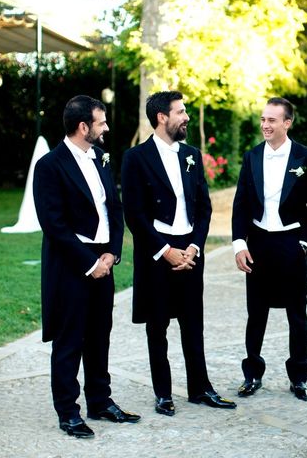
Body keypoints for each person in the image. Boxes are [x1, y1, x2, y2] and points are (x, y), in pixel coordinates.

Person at [121, 91, 236, 417]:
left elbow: (203, 206)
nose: (185, 117)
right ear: (161, 117)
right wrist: (165, 250)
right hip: (156, 253)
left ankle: (200, 389)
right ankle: (163, 394)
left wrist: (194, 246)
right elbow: (135, 214)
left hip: (189, 249)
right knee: (157, 326)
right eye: (180, 112)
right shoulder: (136, 158)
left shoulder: (192, 155)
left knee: (193, 324)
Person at [33, 95, 140, 439]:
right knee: (69, 340)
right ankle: (68, 412)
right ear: (83, 127)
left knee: (99, 335)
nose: (106, 127)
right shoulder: (50, 165)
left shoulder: (102, 160)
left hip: (103, 262)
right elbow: (54, 225)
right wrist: (89, 262)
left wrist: (111, 253)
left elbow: (115, 208)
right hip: (71, 265)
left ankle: (100, 400)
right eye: (101, 122)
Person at [232, 97, 307, 401]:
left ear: (287, 123)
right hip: (258, 243)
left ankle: (299, 377)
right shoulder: (251, 156)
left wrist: (306, 241)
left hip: (291, 242)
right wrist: (239, 244)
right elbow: (241, 204)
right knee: (255, 313)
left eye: (272, 120)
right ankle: (252, 374)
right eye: (263, 119)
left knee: (296, 313)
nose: (265, 125)